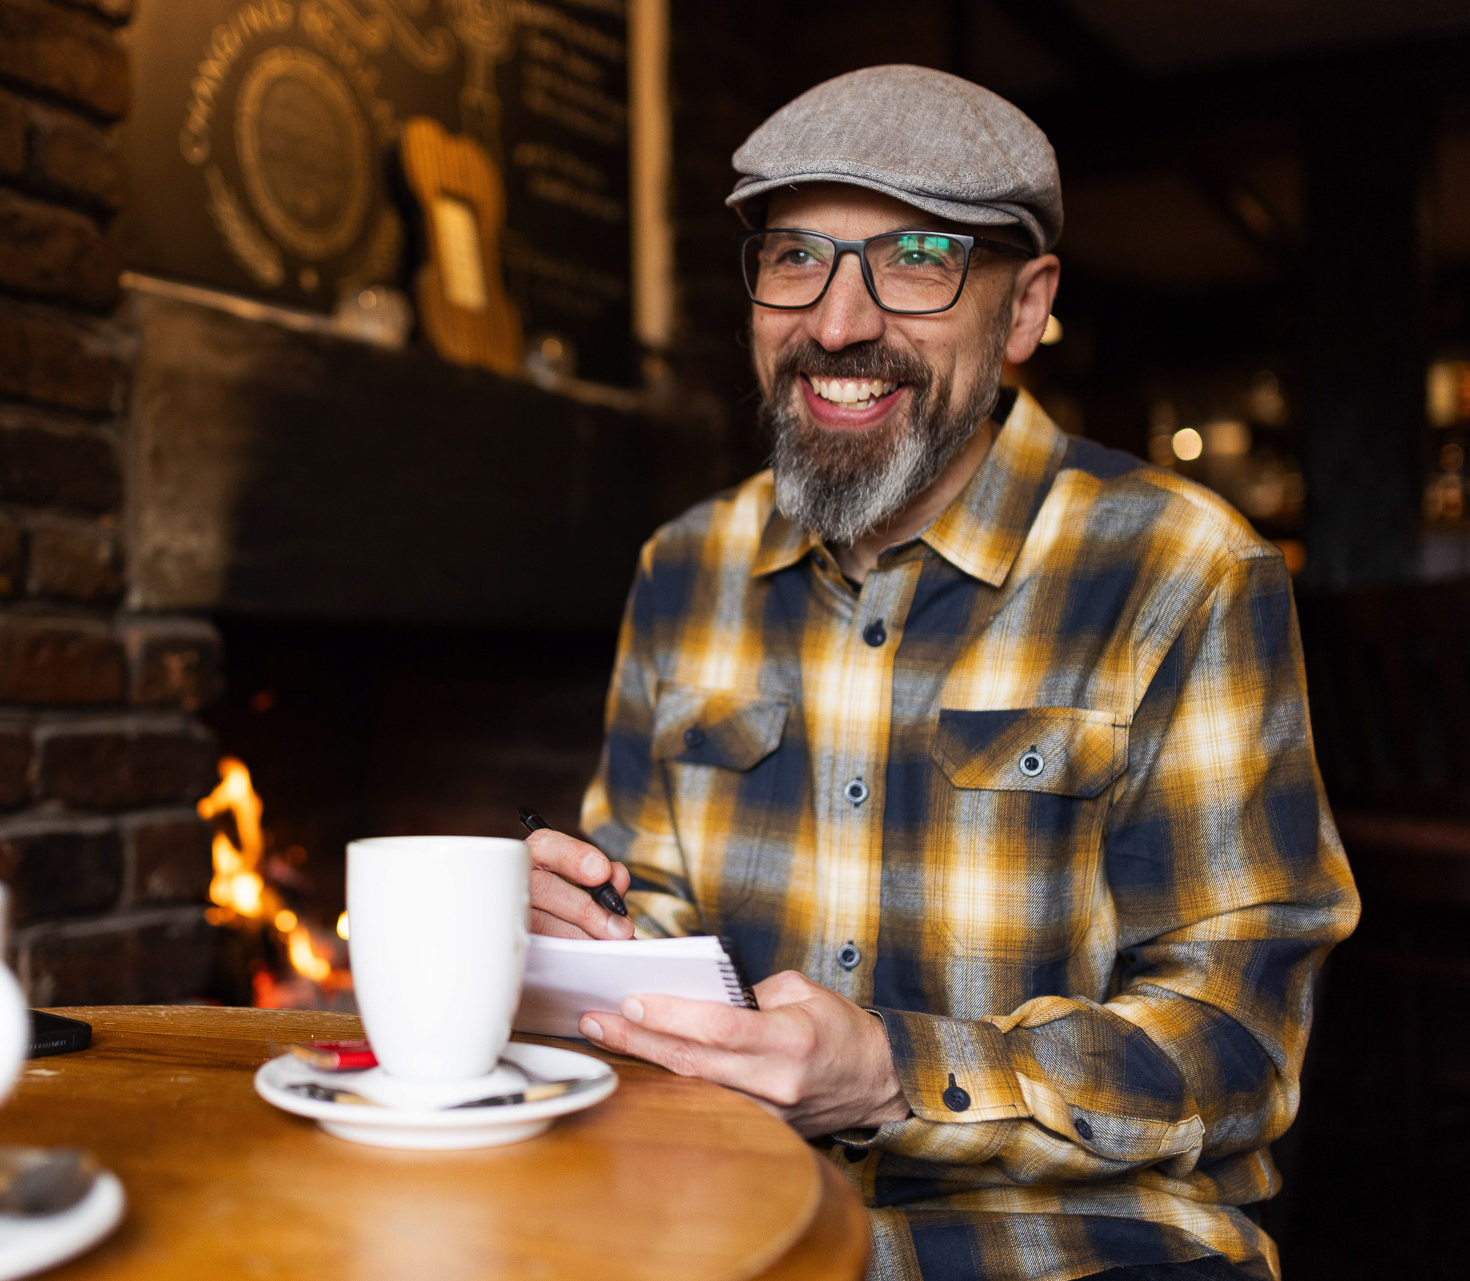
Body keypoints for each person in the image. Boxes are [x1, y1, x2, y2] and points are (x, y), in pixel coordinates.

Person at [523, 65, 1358, 1281]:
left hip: (1079, 1244)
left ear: (1023, 311)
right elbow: (650, 934)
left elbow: (1238, 1047)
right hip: (725, 1219)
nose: (839, 323)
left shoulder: (1185, 568)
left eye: (915, 258)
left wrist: (893, 1074)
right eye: (795, 255)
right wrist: (581, 947)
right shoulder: (683, 567)